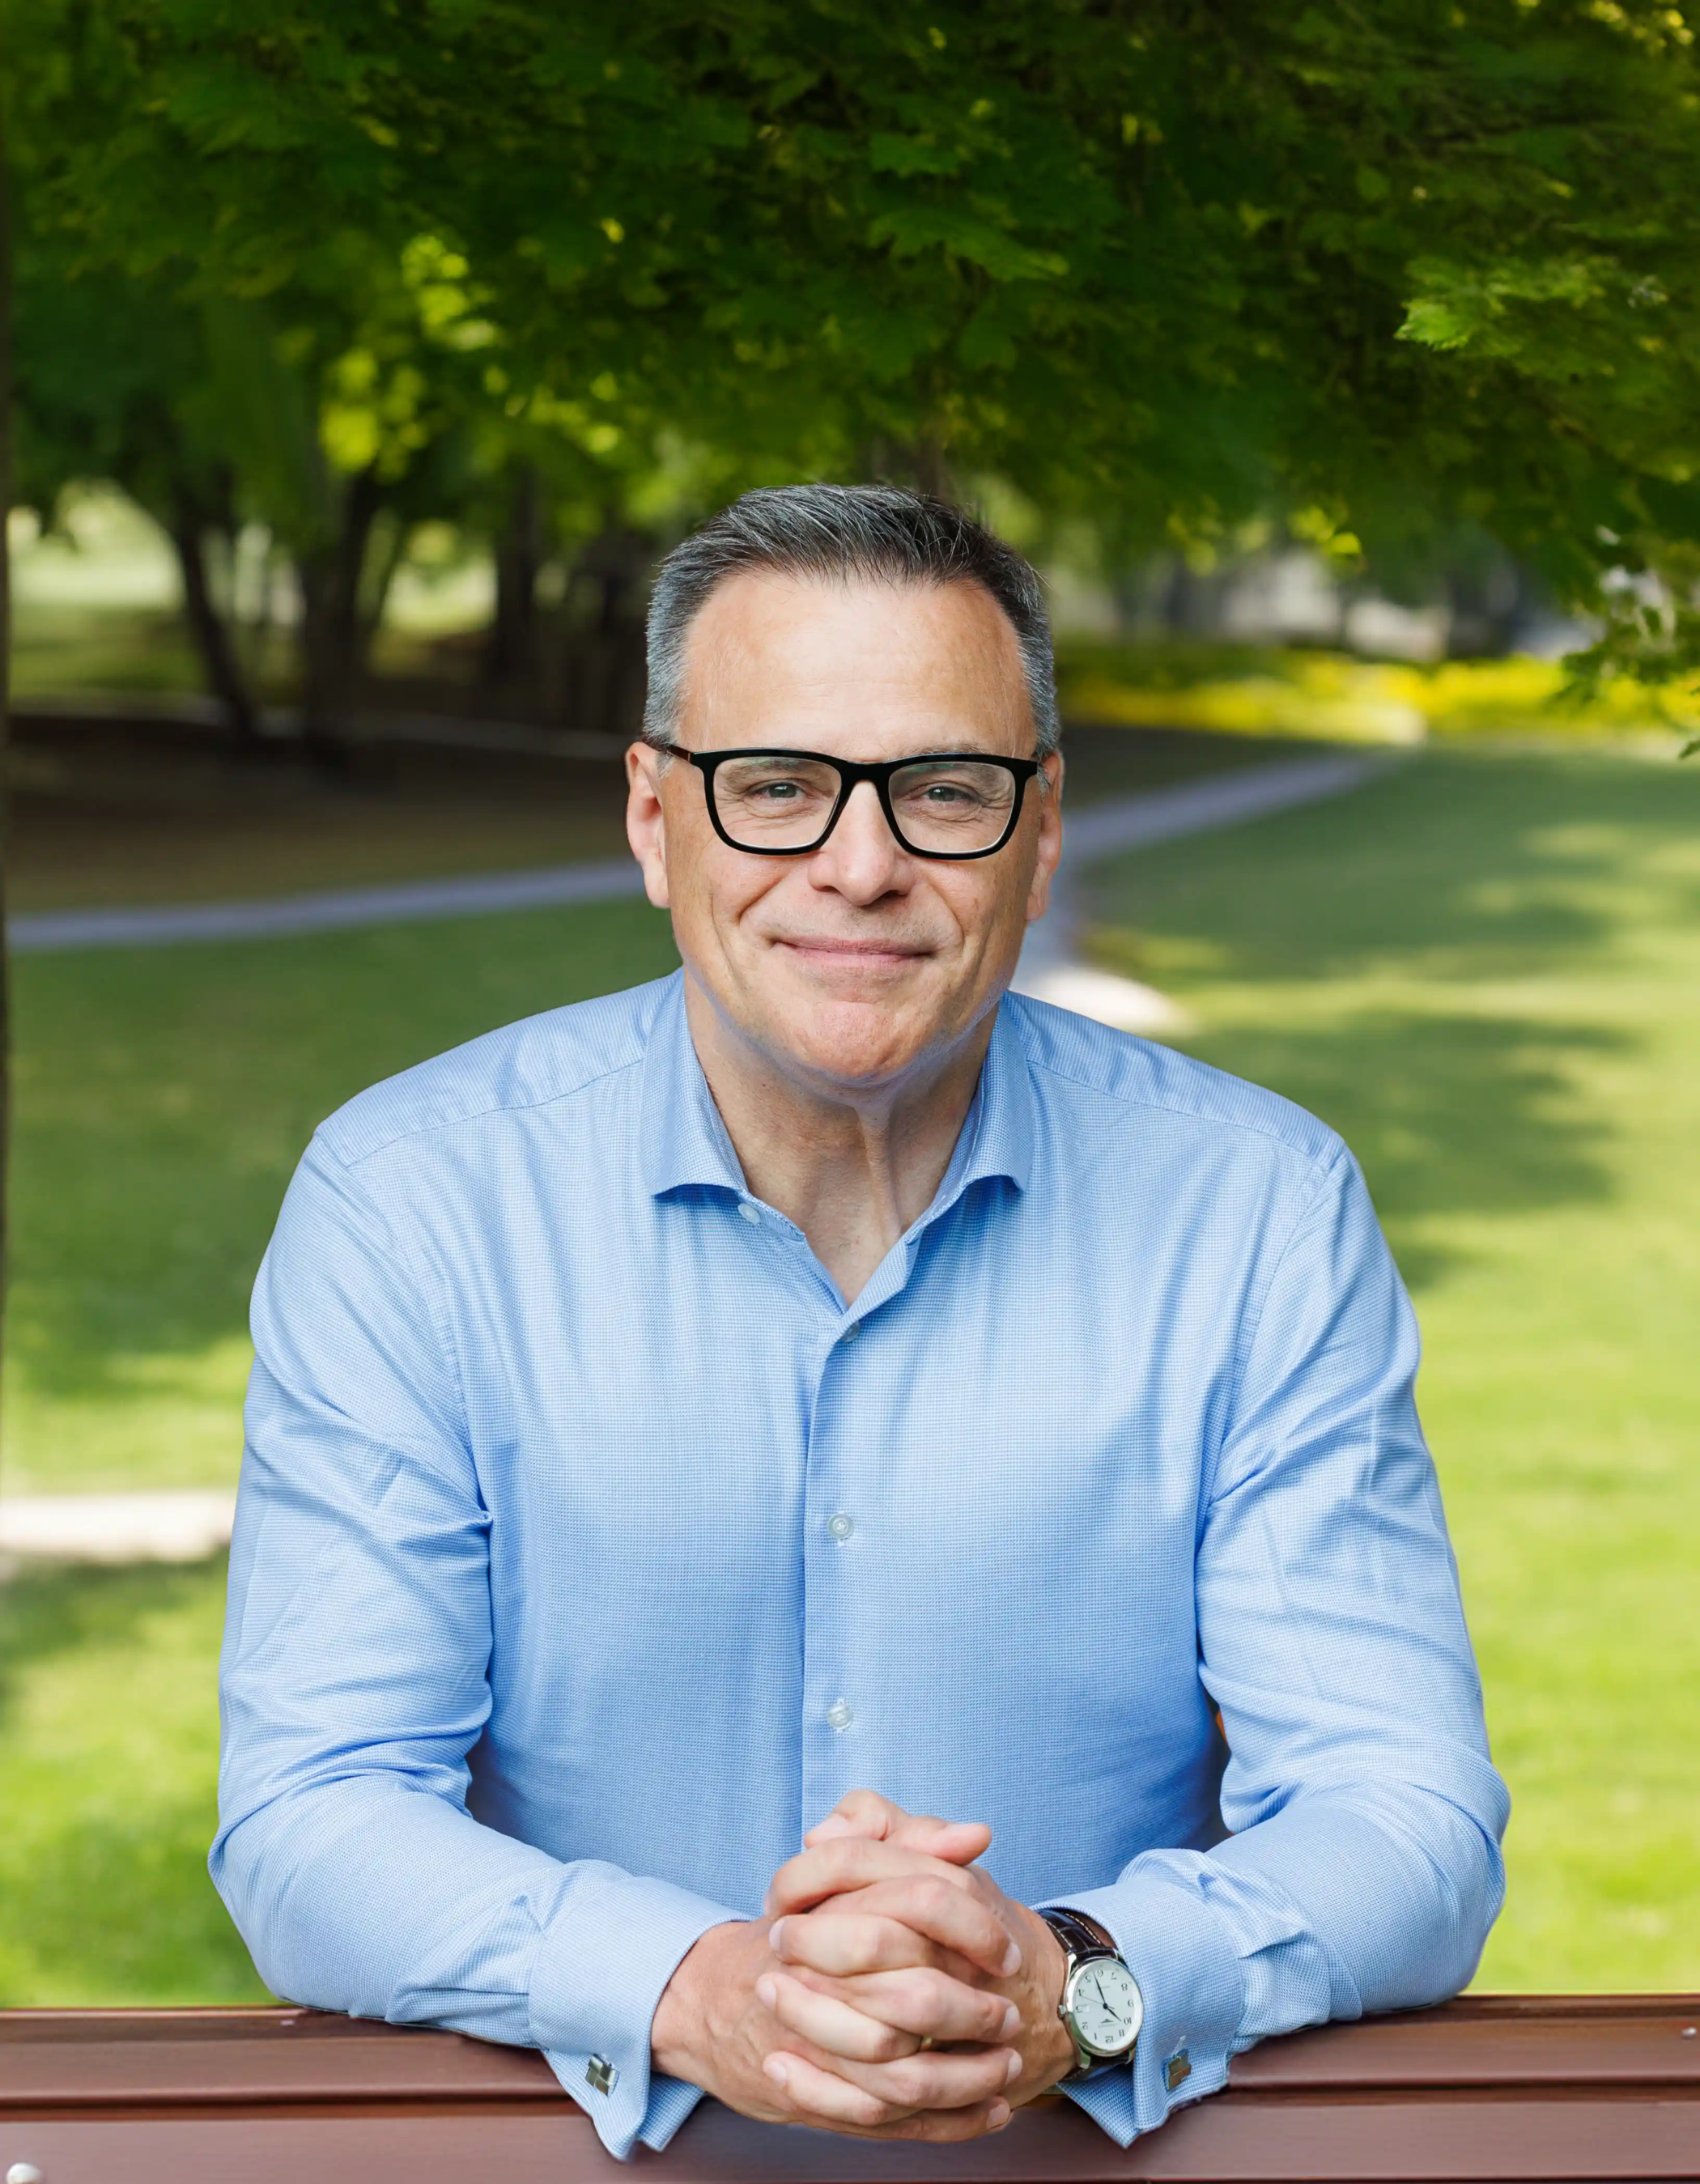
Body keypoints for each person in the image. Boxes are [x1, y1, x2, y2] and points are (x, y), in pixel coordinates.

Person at [211, 485, 1507, 2161]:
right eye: (776, 785)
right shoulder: (412, 1201)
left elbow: (1404, 1815)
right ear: (654, 818)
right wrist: (698, 1986)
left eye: (947, 788)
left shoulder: (1256, 1209)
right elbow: (313, 1814)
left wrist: (1078, 1980)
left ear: (1044, 836)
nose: (862, 863)